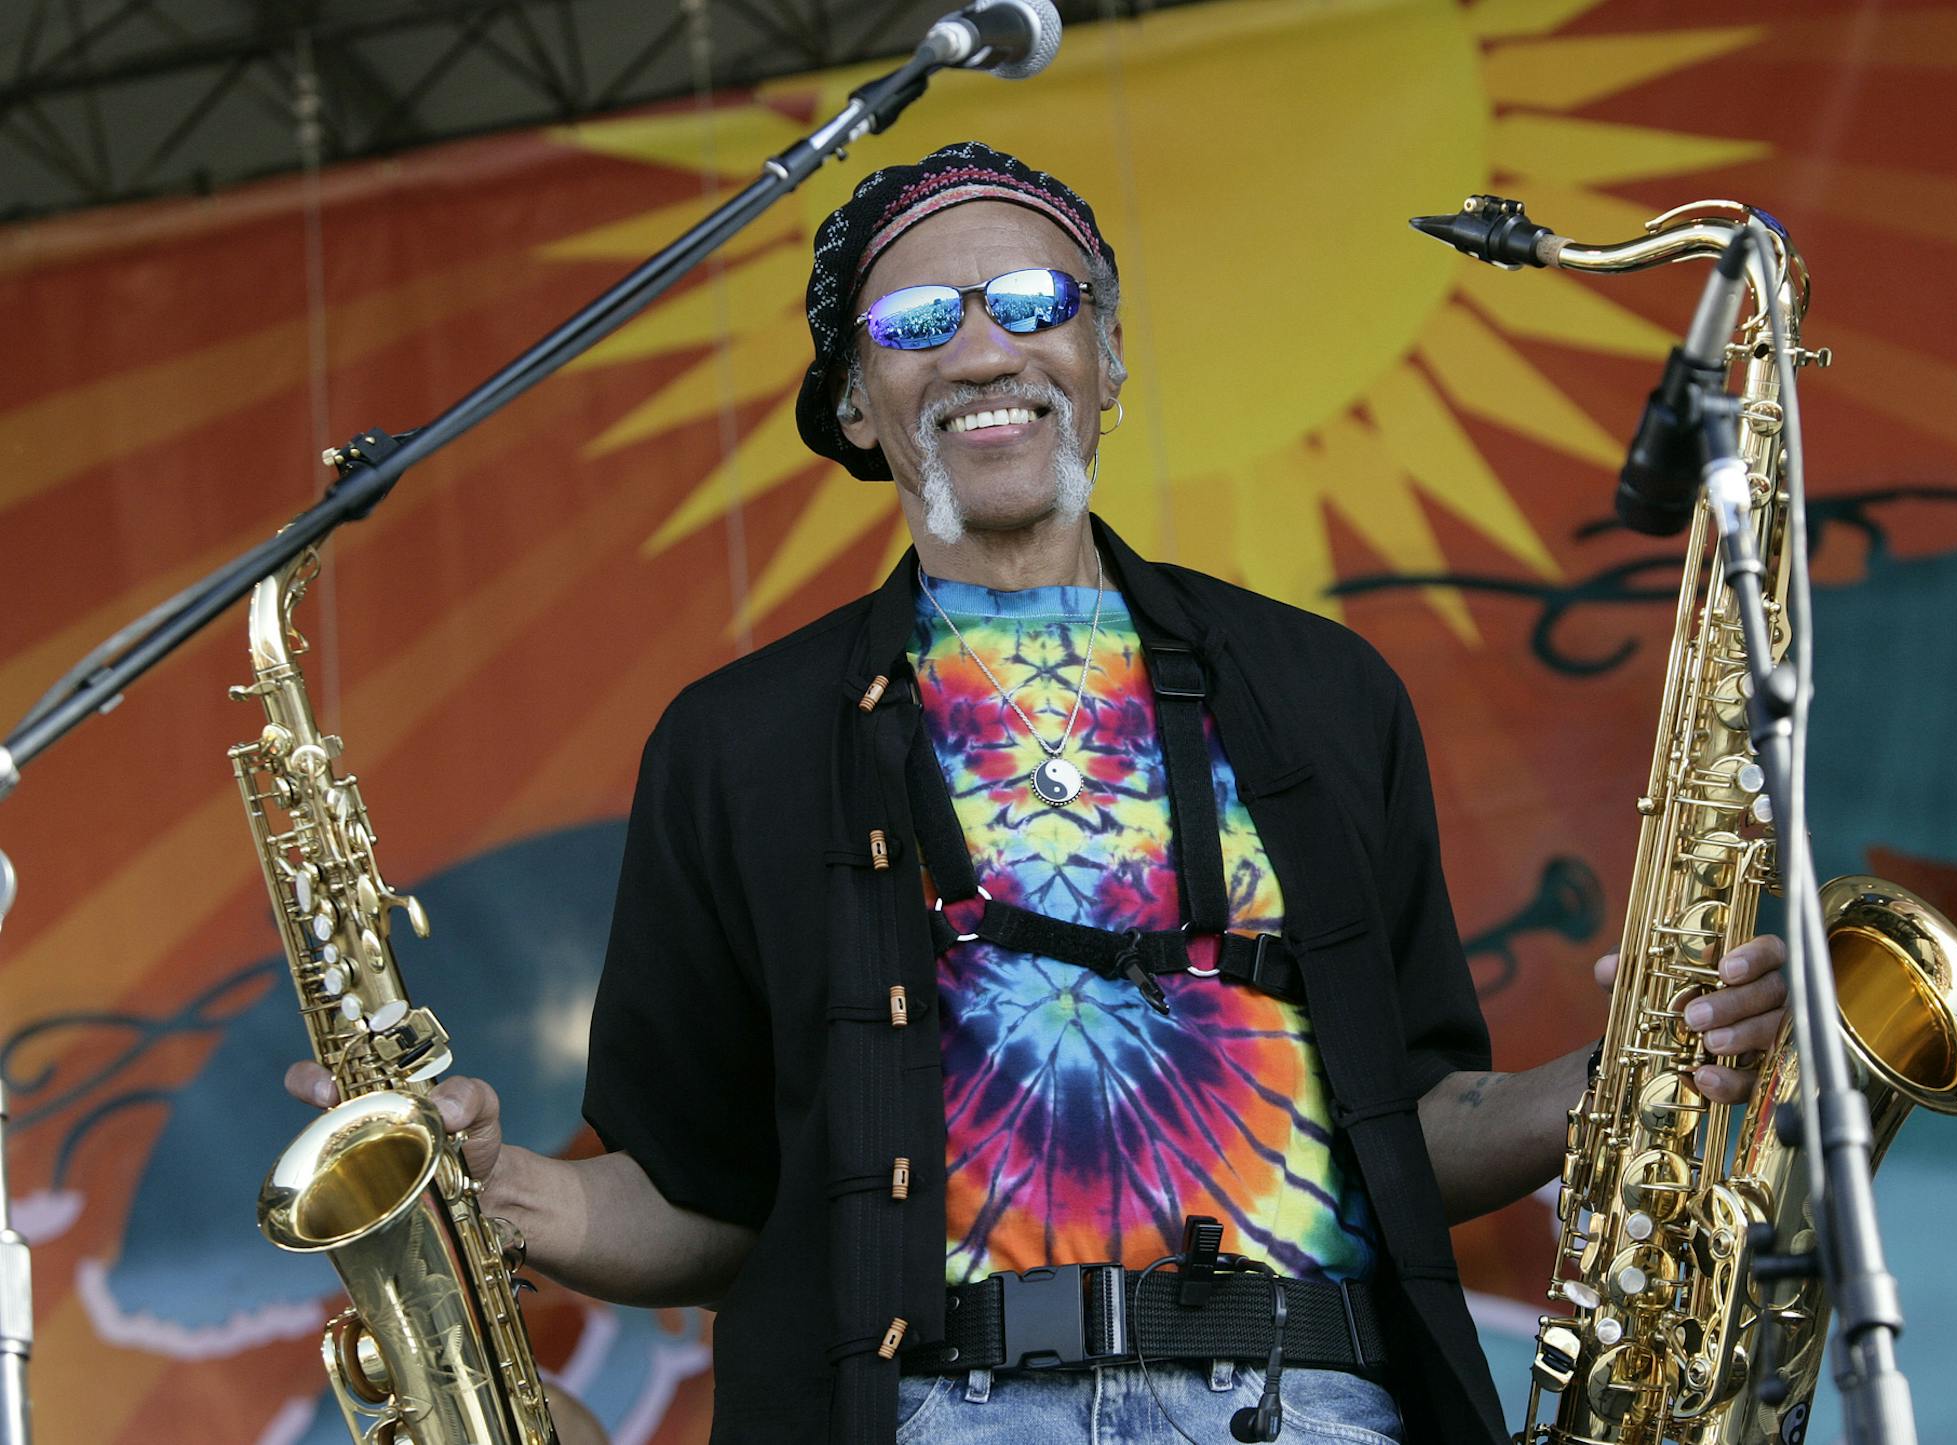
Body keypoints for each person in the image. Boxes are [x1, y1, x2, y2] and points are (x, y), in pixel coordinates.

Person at [288, 142, 1790, 1444]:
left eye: (1033, 300)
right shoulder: (735, 744)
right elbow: (709, 1200)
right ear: (857, 402)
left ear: (1108, 357)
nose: (981, 350)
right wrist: (498, 1190)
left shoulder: (1324, 688)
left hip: (1314, 1405)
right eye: (915, 322)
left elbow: (1412, 1126)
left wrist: (1642, 1069)